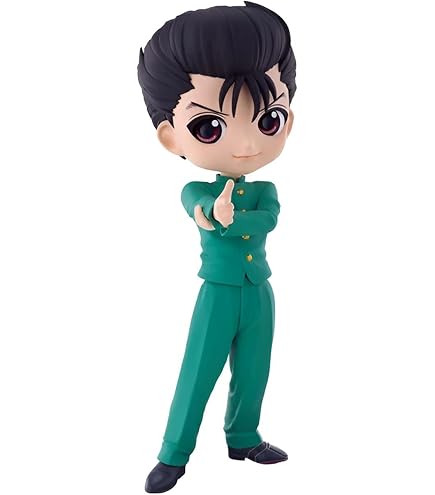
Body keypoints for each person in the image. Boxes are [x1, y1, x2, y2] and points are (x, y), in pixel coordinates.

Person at [137, 2, 297, 492]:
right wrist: (214, 213)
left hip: (259, 292)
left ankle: (244, 438)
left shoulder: (266, 190)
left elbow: (268, 218)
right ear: (171, 138)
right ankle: (173, 455)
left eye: (268, 119)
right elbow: (198, 208)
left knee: (254, 369)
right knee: (198, 372)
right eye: (210, 127)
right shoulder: (196, 189)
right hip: (218, 294)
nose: (246, 145)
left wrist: (234, 218)